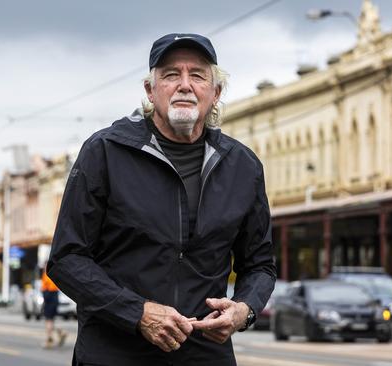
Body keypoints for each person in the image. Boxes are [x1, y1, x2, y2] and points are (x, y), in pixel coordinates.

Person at [48, 33, 276, 366]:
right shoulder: (105, 152)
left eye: (197, 75)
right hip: (113, 355)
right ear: (150, 91)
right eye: (171, 74)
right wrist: (138, 313)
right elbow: (66, 258)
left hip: (205, 356)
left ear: (216, 93)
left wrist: (244, 310)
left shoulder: (243, 166)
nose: (185, 84)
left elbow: (260, 265)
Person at [40, 268, 67, 349]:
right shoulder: (55, 273)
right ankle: (60, 332)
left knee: (48, 319)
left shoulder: (47, 274)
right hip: (55, 296)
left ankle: (50, 339)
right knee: (51, 319)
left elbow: (45, 286)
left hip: (49, 296)